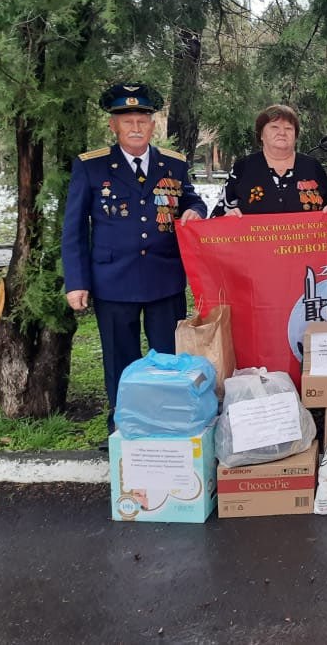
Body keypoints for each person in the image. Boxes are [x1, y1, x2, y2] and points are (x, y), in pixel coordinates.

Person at [61, 82, 206, 434]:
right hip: (113, 281)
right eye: (127, 121)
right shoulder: (91, 167)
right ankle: (123, 429)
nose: (136, 127)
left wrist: (196, 211)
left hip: (163, 279)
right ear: (114, 126)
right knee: (120, 362)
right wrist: (76, 281)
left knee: (168, 362)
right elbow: (75, 228)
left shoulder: (173, 164)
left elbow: (190, 199)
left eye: (142, 119)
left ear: (153, 124)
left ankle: (169, 425)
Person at [211, 104, 327, 217]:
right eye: (274, 127)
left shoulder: (312, 166)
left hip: (305, 246)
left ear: (296, 136)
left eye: (288, 128)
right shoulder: (243, 167)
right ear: (261, 134)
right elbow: (218, 216)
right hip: (255, 247)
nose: (282, 133)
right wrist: (227, 219)